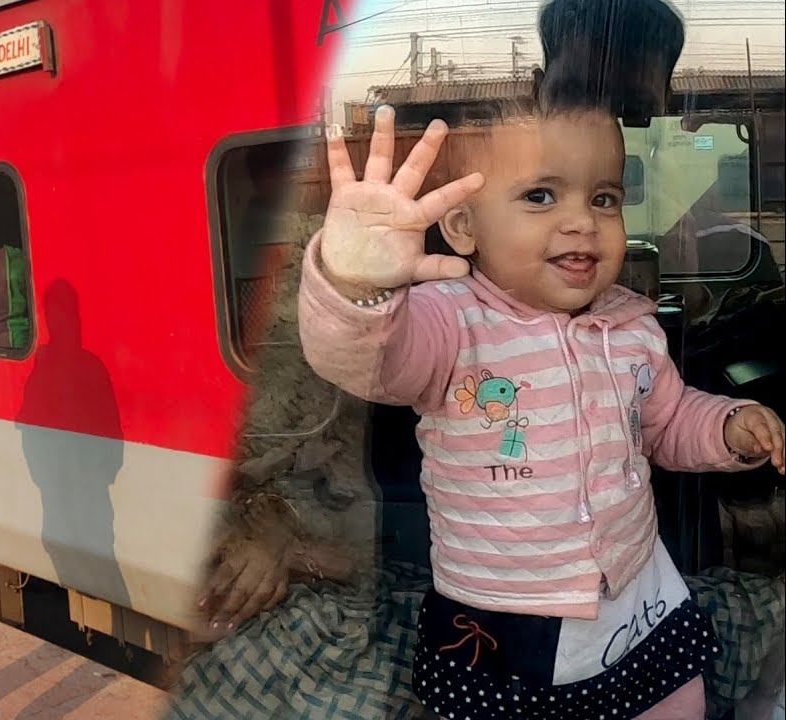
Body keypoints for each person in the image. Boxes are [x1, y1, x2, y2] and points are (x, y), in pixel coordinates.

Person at [297, 102, 785, 719]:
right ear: (463, 227)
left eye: (604, 198)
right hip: (502, 617)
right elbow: (367, 361)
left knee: (670, 699)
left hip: (634, 597)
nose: (582, 220)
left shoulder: (630, 325)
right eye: (540, 196)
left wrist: (725, 425)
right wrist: (356, 285)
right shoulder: (449, 319)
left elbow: (663, 424)